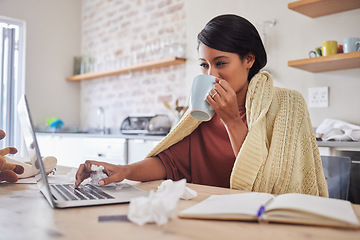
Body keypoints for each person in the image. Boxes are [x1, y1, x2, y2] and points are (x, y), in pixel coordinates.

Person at [75, 14, 328, 197]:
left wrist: (231, 119)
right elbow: (169, 164)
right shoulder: (198, 115)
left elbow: (272, 186)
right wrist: (124, 170)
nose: (212, 74)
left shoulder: (287, 105)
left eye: (220, 63)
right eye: (204, 65)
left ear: (249, 59)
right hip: (202, 214)